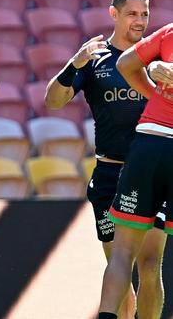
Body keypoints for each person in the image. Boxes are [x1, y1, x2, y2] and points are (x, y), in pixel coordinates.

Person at [45, 0, 166, 319]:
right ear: (114, 14)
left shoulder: (157, 57)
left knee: (151, 263)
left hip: (153, 171)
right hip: (111, 173)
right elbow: (53, 101)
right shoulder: (94, 58)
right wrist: (74, 63)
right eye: (132, 14)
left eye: (144, 14)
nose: (140, 21)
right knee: (119, 264)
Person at [97, 23, 173, 319]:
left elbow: (125, 63)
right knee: (151, 262)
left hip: (149, 146)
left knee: (122, 254)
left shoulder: (169, 32)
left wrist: (154, 78)